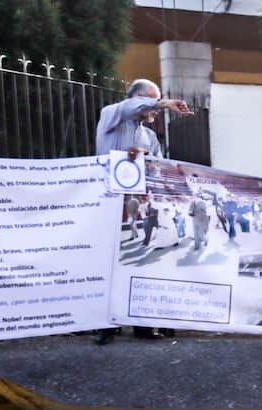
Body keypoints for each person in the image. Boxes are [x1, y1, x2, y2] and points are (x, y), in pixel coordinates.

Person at [92, 79, 191, 345]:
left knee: (139, 264)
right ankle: (106, 324)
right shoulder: (111, 116)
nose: (156, 110)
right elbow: (130, 107)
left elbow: (158, 168)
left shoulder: (148, 136)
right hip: (109, 204)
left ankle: (142, 322)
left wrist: (146, 156)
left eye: (159, 103)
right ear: (138, 98)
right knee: (110, 264)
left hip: (139, 207)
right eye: (153, 102)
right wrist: (166, 102)